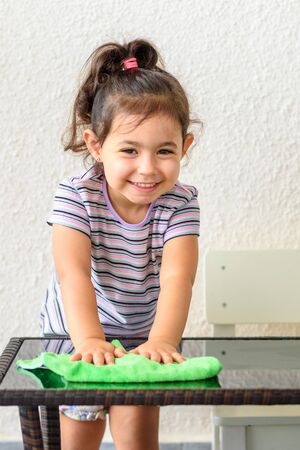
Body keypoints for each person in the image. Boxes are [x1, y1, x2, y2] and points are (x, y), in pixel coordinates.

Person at [40, 38, 201, 450]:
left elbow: (178, 278)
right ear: (96, 145)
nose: (147, 168)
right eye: (129, 150)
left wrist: (163, 341)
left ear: (185, 147)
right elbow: (72, 275)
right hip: (76, 330)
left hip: (145, 333)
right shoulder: (75, 196)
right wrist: (90, 340)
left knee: (137, 433)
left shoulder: (181, 201)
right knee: (82, 429)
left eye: (164, 151)